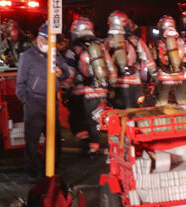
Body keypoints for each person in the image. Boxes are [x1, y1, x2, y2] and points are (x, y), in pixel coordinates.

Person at [15, 23, 71, 179]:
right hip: (34, 102)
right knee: (32, 140)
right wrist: (26, 101)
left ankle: (51, 169)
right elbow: (20, 83)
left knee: (54, 137)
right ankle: (32, 172)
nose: (48, 45)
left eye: (51, 41)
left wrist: (62, 73)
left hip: (52, 102)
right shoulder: (27, 57)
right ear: (39, 39)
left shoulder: (56, 55)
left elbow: (67, 71)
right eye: (46, 41)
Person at [67, 17, 116, 156]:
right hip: (100, 90)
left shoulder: (74, 50)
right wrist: (111, 84)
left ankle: (85, 141)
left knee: (75, 118)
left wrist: (65, 86)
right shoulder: (100, 47)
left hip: (81, 92)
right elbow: (110, 67)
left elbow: (70, 71)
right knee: (94, 120)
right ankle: (93, 149)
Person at [104, 10, 156, 109]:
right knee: (132, 112)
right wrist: (155, 75)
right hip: (133, 82)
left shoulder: (107, 42)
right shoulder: (135, 40)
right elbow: (147, 58)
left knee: (115, 112)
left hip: (114, 84)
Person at [152, 15, 186, 105]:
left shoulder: (159, 43)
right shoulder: (181, 41)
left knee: (162, 101)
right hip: (180, 76)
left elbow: (155, 58)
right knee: (183, 100)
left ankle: (162, 117)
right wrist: (180, 62)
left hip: (164, 76)